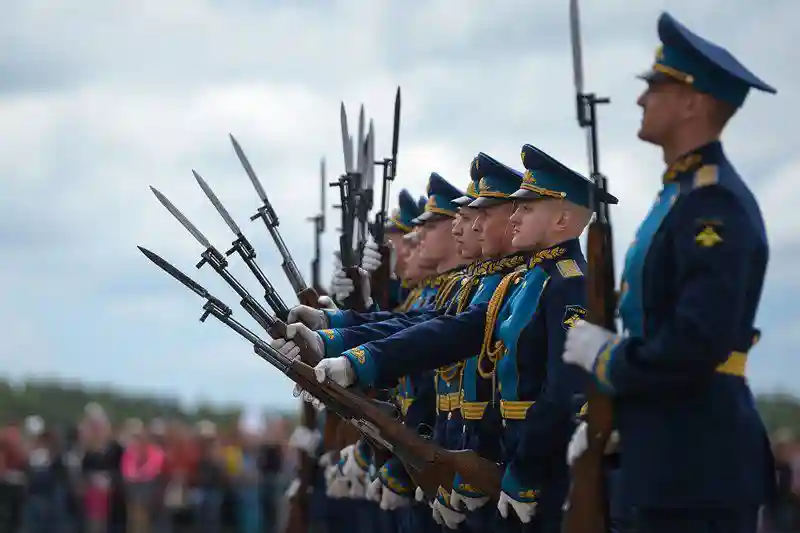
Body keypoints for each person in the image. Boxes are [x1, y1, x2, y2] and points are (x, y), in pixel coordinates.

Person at [297, 143, 617, 533]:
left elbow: (561, 393)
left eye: (526, 208)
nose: (514, 217)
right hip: (494, 468)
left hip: (538, 476)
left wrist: (524, 474)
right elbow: (441, 331)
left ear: (565, 219)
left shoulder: (566, 284)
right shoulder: (519, 284)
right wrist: (347, 350)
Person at [562, 12, 777, 533]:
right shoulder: (681, 197)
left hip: (696, 462)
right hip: (664, 456)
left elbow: (693, 343)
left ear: (692, 102)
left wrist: (607, 358)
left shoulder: (713, 204)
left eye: (656, 86)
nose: (640, 99)